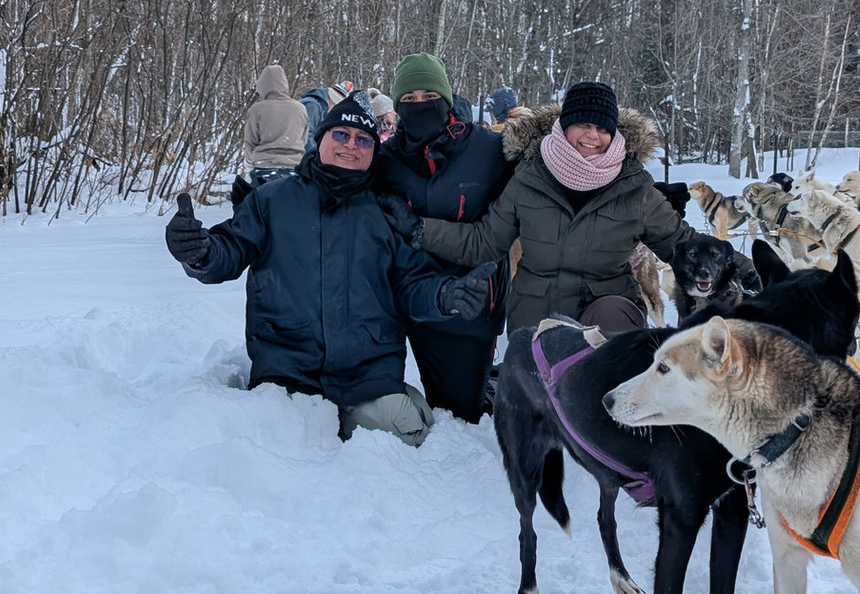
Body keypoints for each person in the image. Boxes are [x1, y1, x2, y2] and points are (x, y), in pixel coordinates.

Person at [165, 90, 496, 446]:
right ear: (321, 139)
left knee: (413, 434)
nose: (351, 145)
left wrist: (446, 295)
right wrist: (198, 252)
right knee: (272, 453)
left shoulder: (386, 212)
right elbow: (228, 250)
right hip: (287, 376)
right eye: (341, 134)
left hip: (367, 379)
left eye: (363, 140)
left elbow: (412, 283)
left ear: (374, 151)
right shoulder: (272, 200)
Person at [383, 81, 758, 335]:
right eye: (582, 124)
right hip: (537, 319)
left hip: (608, 316)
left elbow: (683, 244)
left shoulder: (634, 187)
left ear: (614, 133)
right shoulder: (530, 177)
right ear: (564, 127)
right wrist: (419, 228)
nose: (593, 135)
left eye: (603, 128)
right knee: (547, 402)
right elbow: (484, 241)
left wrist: (747, 270)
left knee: (607, 337)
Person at [374, 53, 514, 424]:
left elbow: (546, 187)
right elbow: (338, 176)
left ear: (447, 99)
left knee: (461, 414)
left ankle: (496, 382)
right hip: (409, 298)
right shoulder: (385, 160)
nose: (420, 104)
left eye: (429, 96)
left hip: (470, 303)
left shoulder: (489, 150)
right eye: (409, 98)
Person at [243, 65, 309, 187]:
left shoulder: (257, 109)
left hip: (264, 166)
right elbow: (304, 139)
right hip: (294, 167)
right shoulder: (300, 109)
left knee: (262, 199)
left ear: (263, 86)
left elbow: (250, 141)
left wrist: (250, 160)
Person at [298, 80, 353, 149]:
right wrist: (315, 154)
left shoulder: (322, 110)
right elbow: (305, 135)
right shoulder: (312, 106)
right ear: (331, 101)